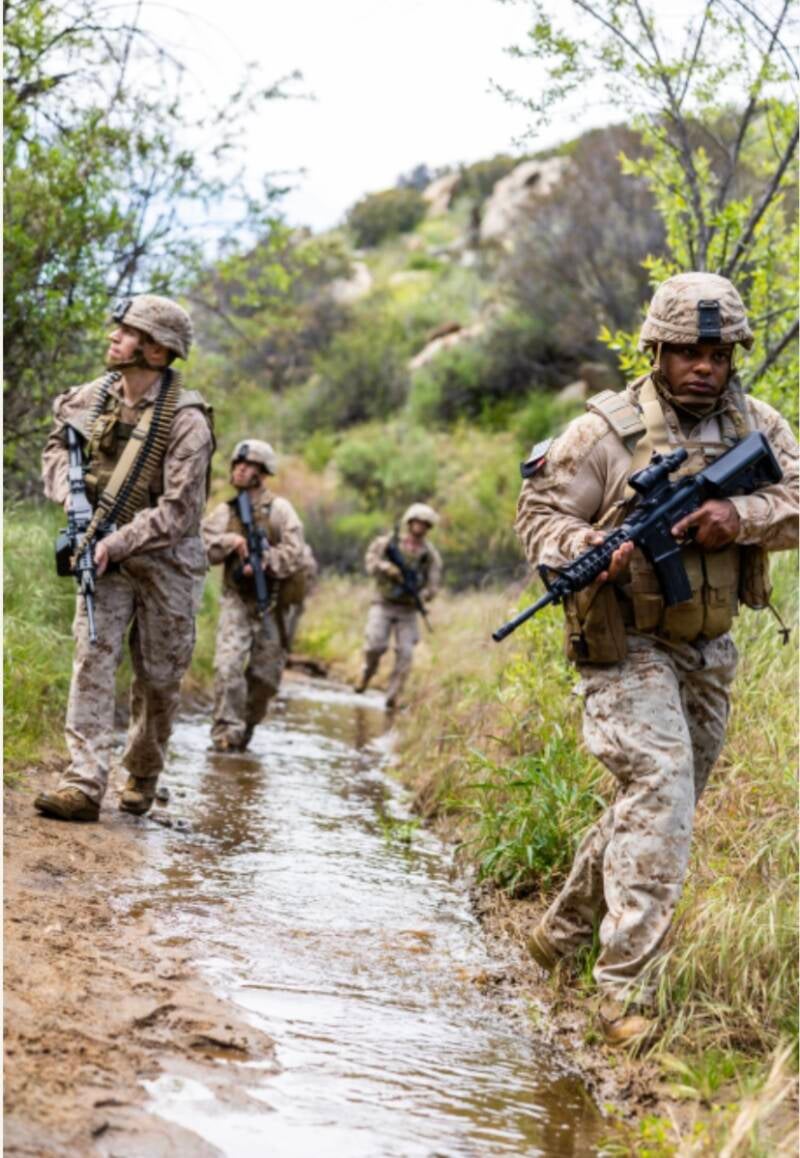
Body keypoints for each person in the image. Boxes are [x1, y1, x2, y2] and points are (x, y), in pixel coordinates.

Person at [514, 272, 798, 1046]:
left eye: (718, 353)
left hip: (707, 646)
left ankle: (560, 936)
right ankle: (622, 990)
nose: (704, 366)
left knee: (659, 802)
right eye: (686, 352)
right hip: (624, 640)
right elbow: (539, 514)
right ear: (656, 352)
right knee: (661, 780)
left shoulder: (760, 427)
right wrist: (584, 546)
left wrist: (736, 515)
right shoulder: (602, 433)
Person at [36, 294, 214, 822]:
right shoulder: (95, 397)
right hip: (103, 552)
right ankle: (83, 781)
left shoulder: (186, 422)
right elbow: (56, 447)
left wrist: (114, 542)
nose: (114, 336)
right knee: (92, 656)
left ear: (156, 351)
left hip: (167, 560)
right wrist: (71, 498)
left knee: (158, 678)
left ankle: (141, 771)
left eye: (128, 331)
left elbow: (178, 512)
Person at [202, 439, 307, 752]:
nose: (239, 469)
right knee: (228, 666)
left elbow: (296, 552)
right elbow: (202, 547)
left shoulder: (280, 510)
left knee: (266, 678)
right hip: (236, 599)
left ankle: (245, 726)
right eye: (237, 464)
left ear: (262, 472)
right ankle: (225, 734)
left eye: (247, 465)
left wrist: (266, 561)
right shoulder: (226, 511)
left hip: (271, 602)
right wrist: (231, 542)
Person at [356, 503, 442, 709]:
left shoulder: (429, 555)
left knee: (406, 654)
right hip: (383, 603)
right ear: (409, 522)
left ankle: (392, 697)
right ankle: (367, 673)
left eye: (424, 524)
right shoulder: (389, 543)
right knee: (375, 645)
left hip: (408, 609)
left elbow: (433, 585)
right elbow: (371, 561)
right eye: (417, 522)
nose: (420, 527)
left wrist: (422, 595)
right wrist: (386, 567)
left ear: (428, 527)